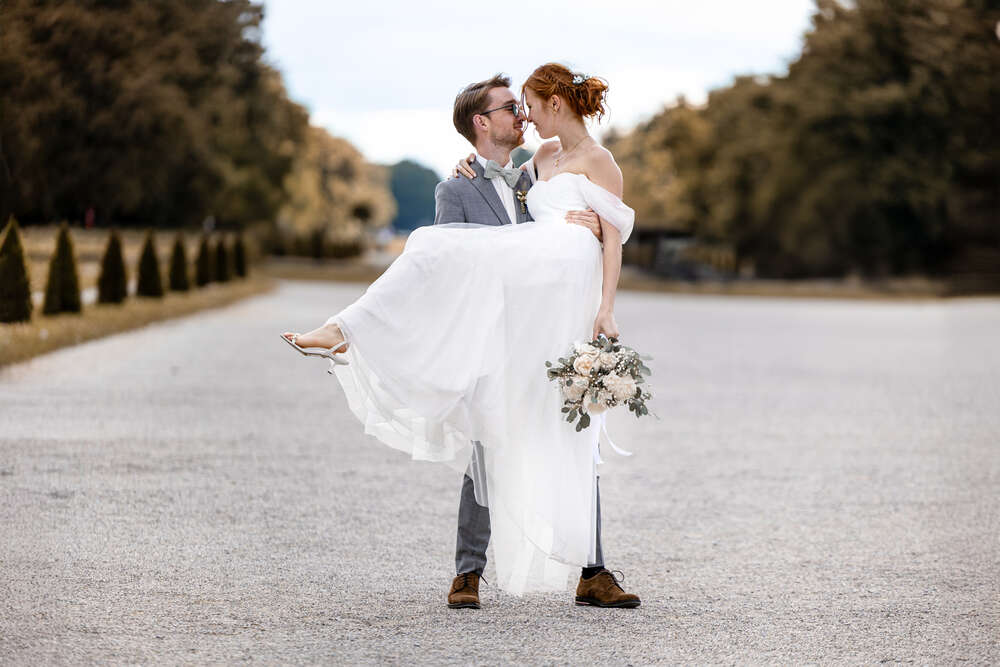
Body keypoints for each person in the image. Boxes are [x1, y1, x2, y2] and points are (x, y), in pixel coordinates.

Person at [282, 63, 641, 608]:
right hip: (491, 335)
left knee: (574, 433)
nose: (521, 116)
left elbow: (579, 212)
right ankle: (467, 573)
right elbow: (451, 269)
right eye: (508, 108)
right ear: (481, 122)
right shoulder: (456, 189)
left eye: (525, 107)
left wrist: (593, 226)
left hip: (549, 321)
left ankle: (593, 570)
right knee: (485, 444)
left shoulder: (534, 171)